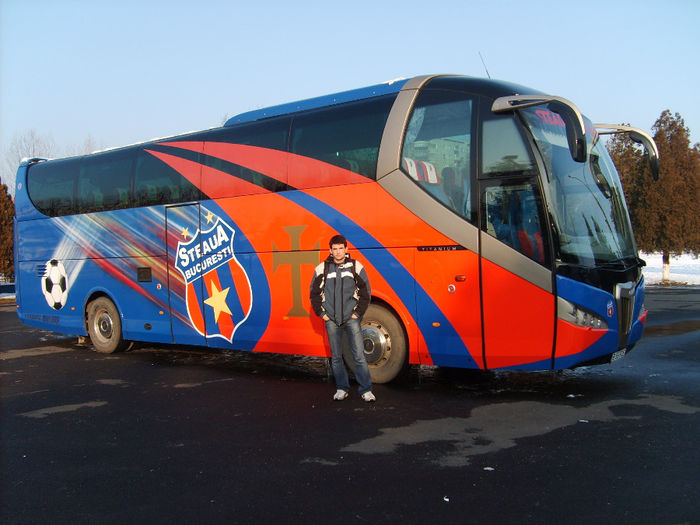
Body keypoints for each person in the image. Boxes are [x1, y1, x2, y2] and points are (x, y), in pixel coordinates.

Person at [309, 234, 375, 402]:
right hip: (331, 320)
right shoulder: (321, 269)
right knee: (336, 356)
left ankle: (366, 390)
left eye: (341, 248)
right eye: (335, 249)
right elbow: (314, 294)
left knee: (359, 355)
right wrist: (323, 315)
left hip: (351, 318)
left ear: (346, 249)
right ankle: (341, 388)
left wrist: (357, 313)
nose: (338, 252)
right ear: (330, 250)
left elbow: (366, 292)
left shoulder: (356, 267)